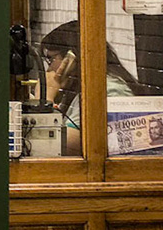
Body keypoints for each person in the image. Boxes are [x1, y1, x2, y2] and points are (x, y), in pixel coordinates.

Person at [37, 21, 144, 154]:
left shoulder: (105, 89)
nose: (50, 68)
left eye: (51, 59)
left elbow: (62, 145)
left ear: (71, 59)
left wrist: (46, 98)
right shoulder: (84, 89)